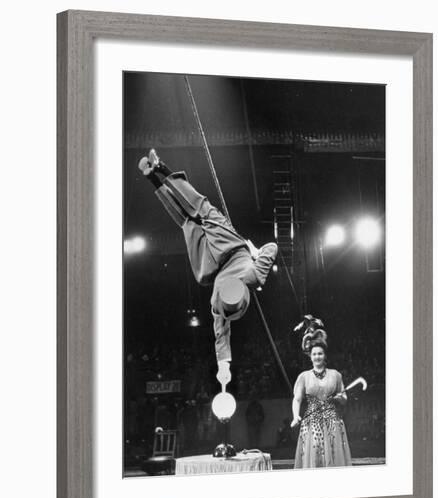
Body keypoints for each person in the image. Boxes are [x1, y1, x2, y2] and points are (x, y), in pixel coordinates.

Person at [138, 149, 278, 389]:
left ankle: (153, 177)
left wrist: (224, 367)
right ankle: (160, 168)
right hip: (230, 245)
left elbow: (221, 335)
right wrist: (255, 253)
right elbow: (272, 247)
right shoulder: (254, 276)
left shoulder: (218, 303)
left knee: (186, 222)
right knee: (200, 207)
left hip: (208, 264)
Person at [291, 317, 352, 468]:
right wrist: (295, 415)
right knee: (313, 461)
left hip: (333, 422)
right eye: (314, 354)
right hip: (311, 423)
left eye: (320, 353)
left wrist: (340, 399)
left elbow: (345, 398)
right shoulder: (304, 376)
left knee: (334, 461)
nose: (317, 356)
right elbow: (297, 399)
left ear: (325, 356)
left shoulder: (336, 375)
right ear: (310, 357)